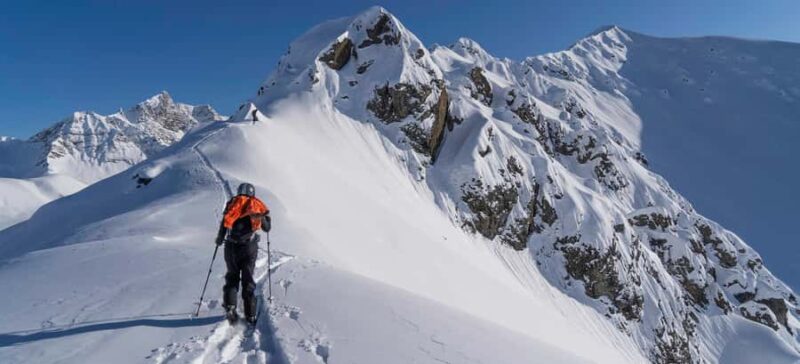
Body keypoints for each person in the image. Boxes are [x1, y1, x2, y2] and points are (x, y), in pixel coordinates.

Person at [215, 182, 271, 324]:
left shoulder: (232, 203)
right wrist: (263, 217)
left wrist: (220, 239)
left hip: (231, 247)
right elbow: (266, 228)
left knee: (232, 276)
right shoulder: (256, 206)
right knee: (248, 279)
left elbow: (224, 223)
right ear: (252, 192)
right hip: (249, 247)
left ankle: (230, 306)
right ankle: (250, 315)